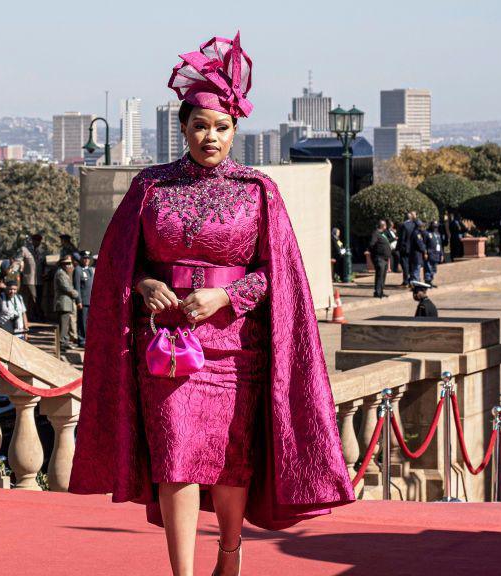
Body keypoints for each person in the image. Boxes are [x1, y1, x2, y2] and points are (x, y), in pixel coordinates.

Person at [69, 34, 354, 576]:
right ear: (182, 128)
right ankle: (182, 572)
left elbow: (282, 275)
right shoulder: (150, 186)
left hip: (233, 349)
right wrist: (145, 284)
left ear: (235, 132)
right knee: (175, 461)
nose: (210, 136)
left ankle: (229, 551)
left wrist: (228, 293)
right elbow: (115, 262)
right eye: (200, 126)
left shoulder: (258, 189)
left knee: (230, 463)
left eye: (221, 128)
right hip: (167, 349)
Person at [54, 254, 80, 350]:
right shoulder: (60, 273)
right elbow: (66, 287)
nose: (69, 265)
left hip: (67, 303)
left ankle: (64, 341)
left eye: (70, 263)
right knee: (63, 325)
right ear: (62, 264)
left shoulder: (65, 273)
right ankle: (61, 343)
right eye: (66, 263)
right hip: (63, 303)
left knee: (66, 325)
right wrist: (76, 294)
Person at [20, 233, 46, 321]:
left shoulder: (42, 252)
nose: (37, 242)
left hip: (39, 279)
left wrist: (45, 273)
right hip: (29, 279)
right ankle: (31, 316)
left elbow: (44, 264)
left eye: (39, 241)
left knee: (39, 299)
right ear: (32, 241)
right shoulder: (26, 250)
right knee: (32, 297)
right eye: (35, 240)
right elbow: (19, 261)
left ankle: (36, 316)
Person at [73, 250, 95, 346]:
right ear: (81, 259)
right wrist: (79, 301)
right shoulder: (78, 270)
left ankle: (88, 339)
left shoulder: (90, 269)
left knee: (89, 322)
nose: (86, 260)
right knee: (82, 321)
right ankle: (82, 340)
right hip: (83, 301)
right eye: (84, 258)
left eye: (88, 258)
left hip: (91, 300)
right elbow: (77, 287)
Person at [368, 220, 392, 298]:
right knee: (379, 275)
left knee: (383, 276)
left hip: (385, 259)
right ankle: (377, 292)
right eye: (385, 225)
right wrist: (376, 254)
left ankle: (381, 291)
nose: (386, 226)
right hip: (379, 258)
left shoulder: (382, 234)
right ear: (382, 226)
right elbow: (371, 245)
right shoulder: (375, 234)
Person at [397, 212, 416, 284]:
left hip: (405, 248)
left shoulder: (403, 225)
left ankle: (405, 280)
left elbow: (402, 238)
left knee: (405, 264)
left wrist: (399, 247)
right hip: (412, 248)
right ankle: (411, 278)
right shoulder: (414, 225)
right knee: (411, 264)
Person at [408, 219, 428, 286]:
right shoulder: (417, 233)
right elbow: (420, 244)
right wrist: (424, 251)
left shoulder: (416, 232)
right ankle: (416, 284)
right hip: (416, 255)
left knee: (415, 269)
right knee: (416, 270)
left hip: (415, 255)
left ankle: (415, 283)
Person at [424, 220, 444, 285]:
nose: (435, 228)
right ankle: (427, 281)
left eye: (436, 226)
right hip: (430, 254)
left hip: (436, 254)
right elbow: (424, 244)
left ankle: (431, 280)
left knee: (434, 269)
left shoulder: (438, 234)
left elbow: (440, 245)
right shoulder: (427, 233)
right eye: (434, 226)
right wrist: (425, 252)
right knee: (428, 268)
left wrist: (442, 254)